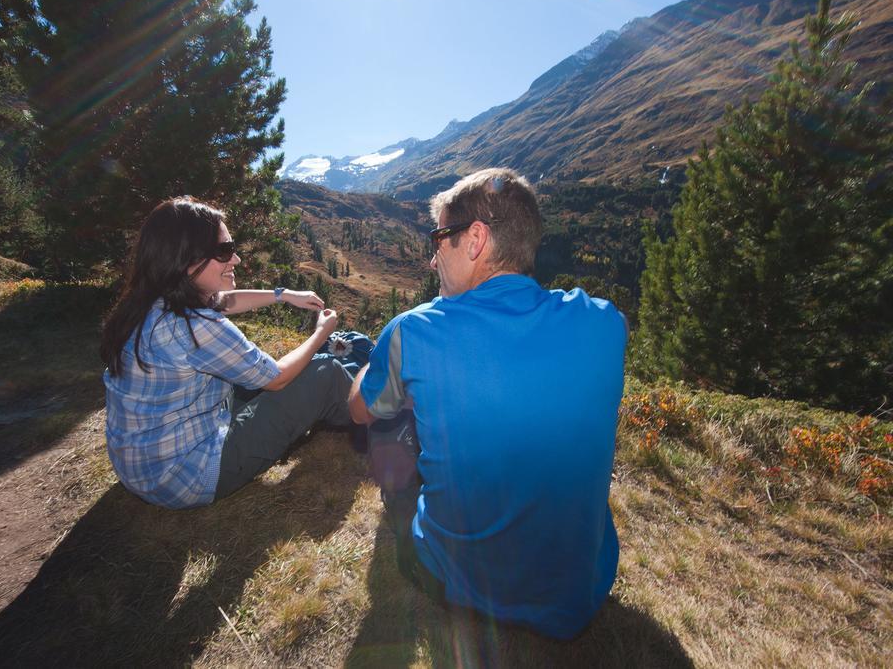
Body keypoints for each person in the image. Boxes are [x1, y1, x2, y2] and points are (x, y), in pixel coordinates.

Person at [348, 168, 628, 639]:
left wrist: (368, 366)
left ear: (475, 239)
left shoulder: (413, 331)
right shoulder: (606, 322)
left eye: (439, 239)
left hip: (455, 585)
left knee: (388, 428)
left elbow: (358, 410)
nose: (433, 259)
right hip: (579, 594)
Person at [101, 196, 356, 509]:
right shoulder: (193, 324)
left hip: (144, 465)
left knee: (265, 378)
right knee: (325, 372)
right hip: (186, 476)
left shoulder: (153, 301)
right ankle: (378, 416)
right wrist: (320, 333)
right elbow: (274, 378)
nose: (235, 259)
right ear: (186, 259)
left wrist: (283, 295)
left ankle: (352, 381)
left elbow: (225, 300)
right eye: (224, 251)